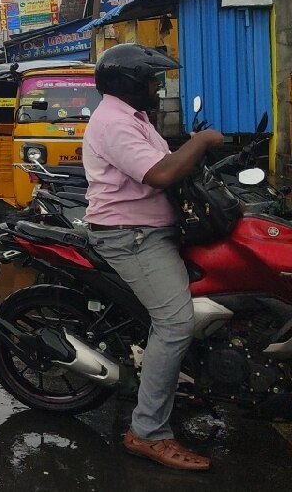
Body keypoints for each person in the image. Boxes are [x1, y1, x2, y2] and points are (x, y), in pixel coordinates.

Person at [83, 43, 221, 471]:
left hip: (153, 230)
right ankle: (147, 432)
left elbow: (164, 158)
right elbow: (160, 173)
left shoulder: (134, 117)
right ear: (127, 83)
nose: (156, 89)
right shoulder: (112, 123)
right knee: (176, 322)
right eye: (150, 81)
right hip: (132, 237)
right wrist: (199, 141)